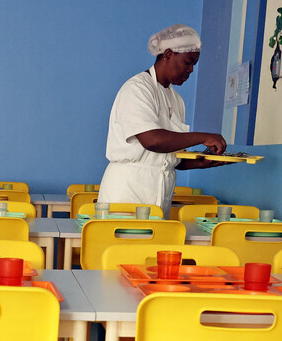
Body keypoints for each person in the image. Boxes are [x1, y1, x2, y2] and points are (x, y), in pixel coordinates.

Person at [97, 24, 230, 213]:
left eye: (194, 64)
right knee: (125, 233)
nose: (191, 70)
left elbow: (167, 157)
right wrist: (203, 137)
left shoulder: (176, 99)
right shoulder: (138, 89)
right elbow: (152, 141)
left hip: (160, 194)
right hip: (127, 192)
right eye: (188, 62)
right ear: (168, 54)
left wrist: (203, 162)